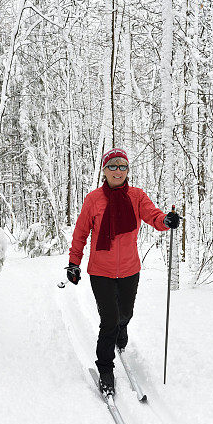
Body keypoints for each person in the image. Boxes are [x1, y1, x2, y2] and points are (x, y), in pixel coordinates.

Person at [65, 148, 180, 397]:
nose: (118, 171)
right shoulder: (93, 199)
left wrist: (166, 221)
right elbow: (81, 232)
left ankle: (122, 329)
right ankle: (105, 369)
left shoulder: (137, 196)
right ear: (104, 170)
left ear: (127, 171)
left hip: (129, 268)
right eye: (113, 166)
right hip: (101, 271)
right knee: (109, 321)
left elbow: (154, 216)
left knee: (124, 314)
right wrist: (74, 262)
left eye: (123, 166)